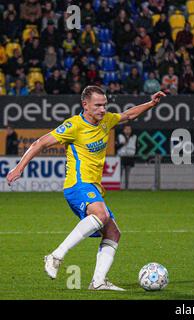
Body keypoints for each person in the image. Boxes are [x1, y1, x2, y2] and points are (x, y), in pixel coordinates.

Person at [6, 86, 166, 291]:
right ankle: (56, 255)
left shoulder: (106, 120)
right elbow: (40, 143)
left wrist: (151, 104)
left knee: (113, 233)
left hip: (93, 186)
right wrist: (19, 167)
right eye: (98, 105)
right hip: (77, 184)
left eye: (105, 105)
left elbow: (128, 115)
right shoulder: (73, 126)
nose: (102, 109)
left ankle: (98, 282)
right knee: (101, 214)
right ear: (85, 105)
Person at [116, 124, 137, 189]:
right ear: (123, 130)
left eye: (129, 129)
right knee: (120, 173)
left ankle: (126, 187)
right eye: (126, 129)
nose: (128, 131)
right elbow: (115, 147)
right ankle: (118, 187)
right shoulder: (120, 136)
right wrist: (122, 144)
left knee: (127, 173)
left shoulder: (134, 137)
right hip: (121, 157)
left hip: (130, 156)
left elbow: (136, 146)